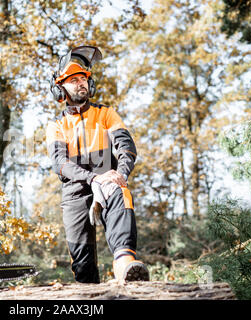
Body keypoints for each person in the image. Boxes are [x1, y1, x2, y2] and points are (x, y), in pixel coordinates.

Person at [46, 46, 149, 283]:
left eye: (83, 78)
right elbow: (59, 163)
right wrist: (92, 178)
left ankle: (125, 264)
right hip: (75, 191)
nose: (81, 83)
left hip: (108, 181)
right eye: (74, 80)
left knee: (120, 192)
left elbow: (126, 148)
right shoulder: (57, 125)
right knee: (82, 264)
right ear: (60, 89)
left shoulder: (106, 114)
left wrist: (119, 174)